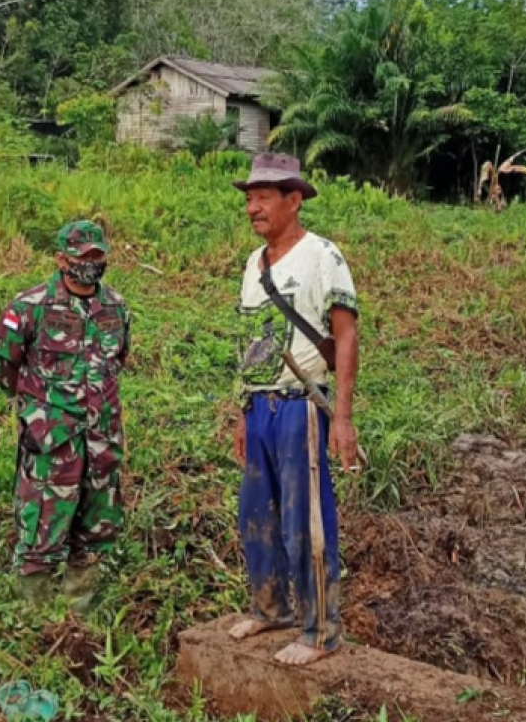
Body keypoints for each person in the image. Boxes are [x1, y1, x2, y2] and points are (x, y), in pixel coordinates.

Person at [228, 153, 360, 667]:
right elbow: (248, 340)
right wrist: (242, 410)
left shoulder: (322, 255)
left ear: (294, 200)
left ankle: (320, 631)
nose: (253, 208)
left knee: (306, 524)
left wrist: (342, 418)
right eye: (248, 199)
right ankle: (270, 608)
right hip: (260, 408)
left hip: (302, 409)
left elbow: (346, 337)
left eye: (263, 198)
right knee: (255, 515)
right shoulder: (252, 264)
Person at [0, 221, 132, 611]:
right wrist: (36, 412)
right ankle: (35, 618)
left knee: (96, 531)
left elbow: (118, 361)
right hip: (53, 445)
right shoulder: (29, 307)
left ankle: (75, 615)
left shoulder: (115, 308)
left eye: (98, 256)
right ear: (61, 260)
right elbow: (3, 366)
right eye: (83, 257)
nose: (91, 264)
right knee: (40, 532)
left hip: (101, 444)